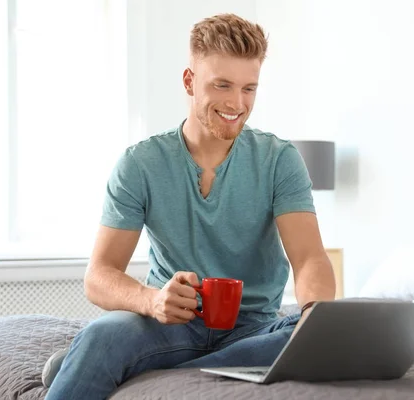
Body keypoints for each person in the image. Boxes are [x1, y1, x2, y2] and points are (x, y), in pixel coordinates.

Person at [44, 13, 335, 400]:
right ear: (189, 81)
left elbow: (310, 258)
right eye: (222, 85)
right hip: (170, 324)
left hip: (255, 328)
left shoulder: (279, 159)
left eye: (249, 88)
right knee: (103, 335)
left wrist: (315, 316)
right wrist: (152, 300)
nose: (237, 103)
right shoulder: (140, 163)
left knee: (315, 338)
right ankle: (114, 357)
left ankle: (123, 366)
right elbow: (99, 276)